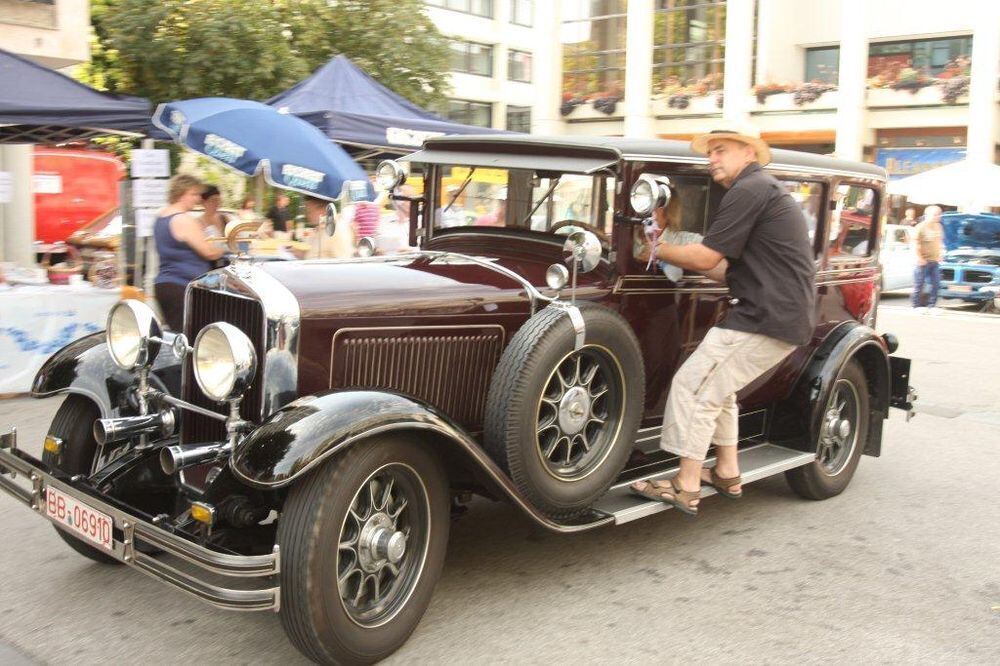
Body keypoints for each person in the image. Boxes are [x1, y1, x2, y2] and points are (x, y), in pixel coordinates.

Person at [629, 124, 816, 515]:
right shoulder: (761, 190)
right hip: (775, 315)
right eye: (710, 151)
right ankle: (728, 471)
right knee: (719, 390)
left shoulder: (750, 189)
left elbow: (705, 259)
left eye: (721, 150)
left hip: (765, 317)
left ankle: (686, 484)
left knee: (693, 387)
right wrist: (671, 248)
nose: (712, 158)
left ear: (749, 153)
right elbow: (726, 270)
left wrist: (655, 247)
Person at [154, 175, 225, 331]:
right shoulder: (183, 220)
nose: (198, 199)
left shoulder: (161, 216)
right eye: (194, 194)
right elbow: (209, 252)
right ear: (181, 193)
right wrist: (227, 248)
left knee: (180, 337)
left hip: (167, 284)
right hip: (182, 286)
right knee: (191, 341)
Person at [633, 188, 703, 282]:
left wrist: (663, 253)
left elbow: (714, 251)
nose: (646, 209)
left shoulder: (687, 241)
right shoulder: (626, 237)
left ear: (669, 211)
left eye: (654, 204)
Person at [911, 204, 945, 311]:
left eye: (939, 214)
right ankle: (915, 306)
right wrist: (919, 257)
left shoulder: (939, 226)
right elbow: (915, 243)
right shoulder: (920, 227)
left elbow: (939, 241)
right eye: (935, 214)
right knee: (919, 284)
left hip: (934, 261)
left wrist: (940, 254)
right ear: (927, 215)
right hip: (923, 261)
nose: (938, 217)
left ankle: (931, 305)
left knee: (936, 283)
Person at [301, 195, 354, 259]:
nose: (307, 215)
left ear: (321, 209)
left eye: (309, 211)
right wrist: (299, 253)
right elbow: (317, 254)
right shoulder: (323, 227)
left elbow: (342, 261)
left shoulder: (336, 229)